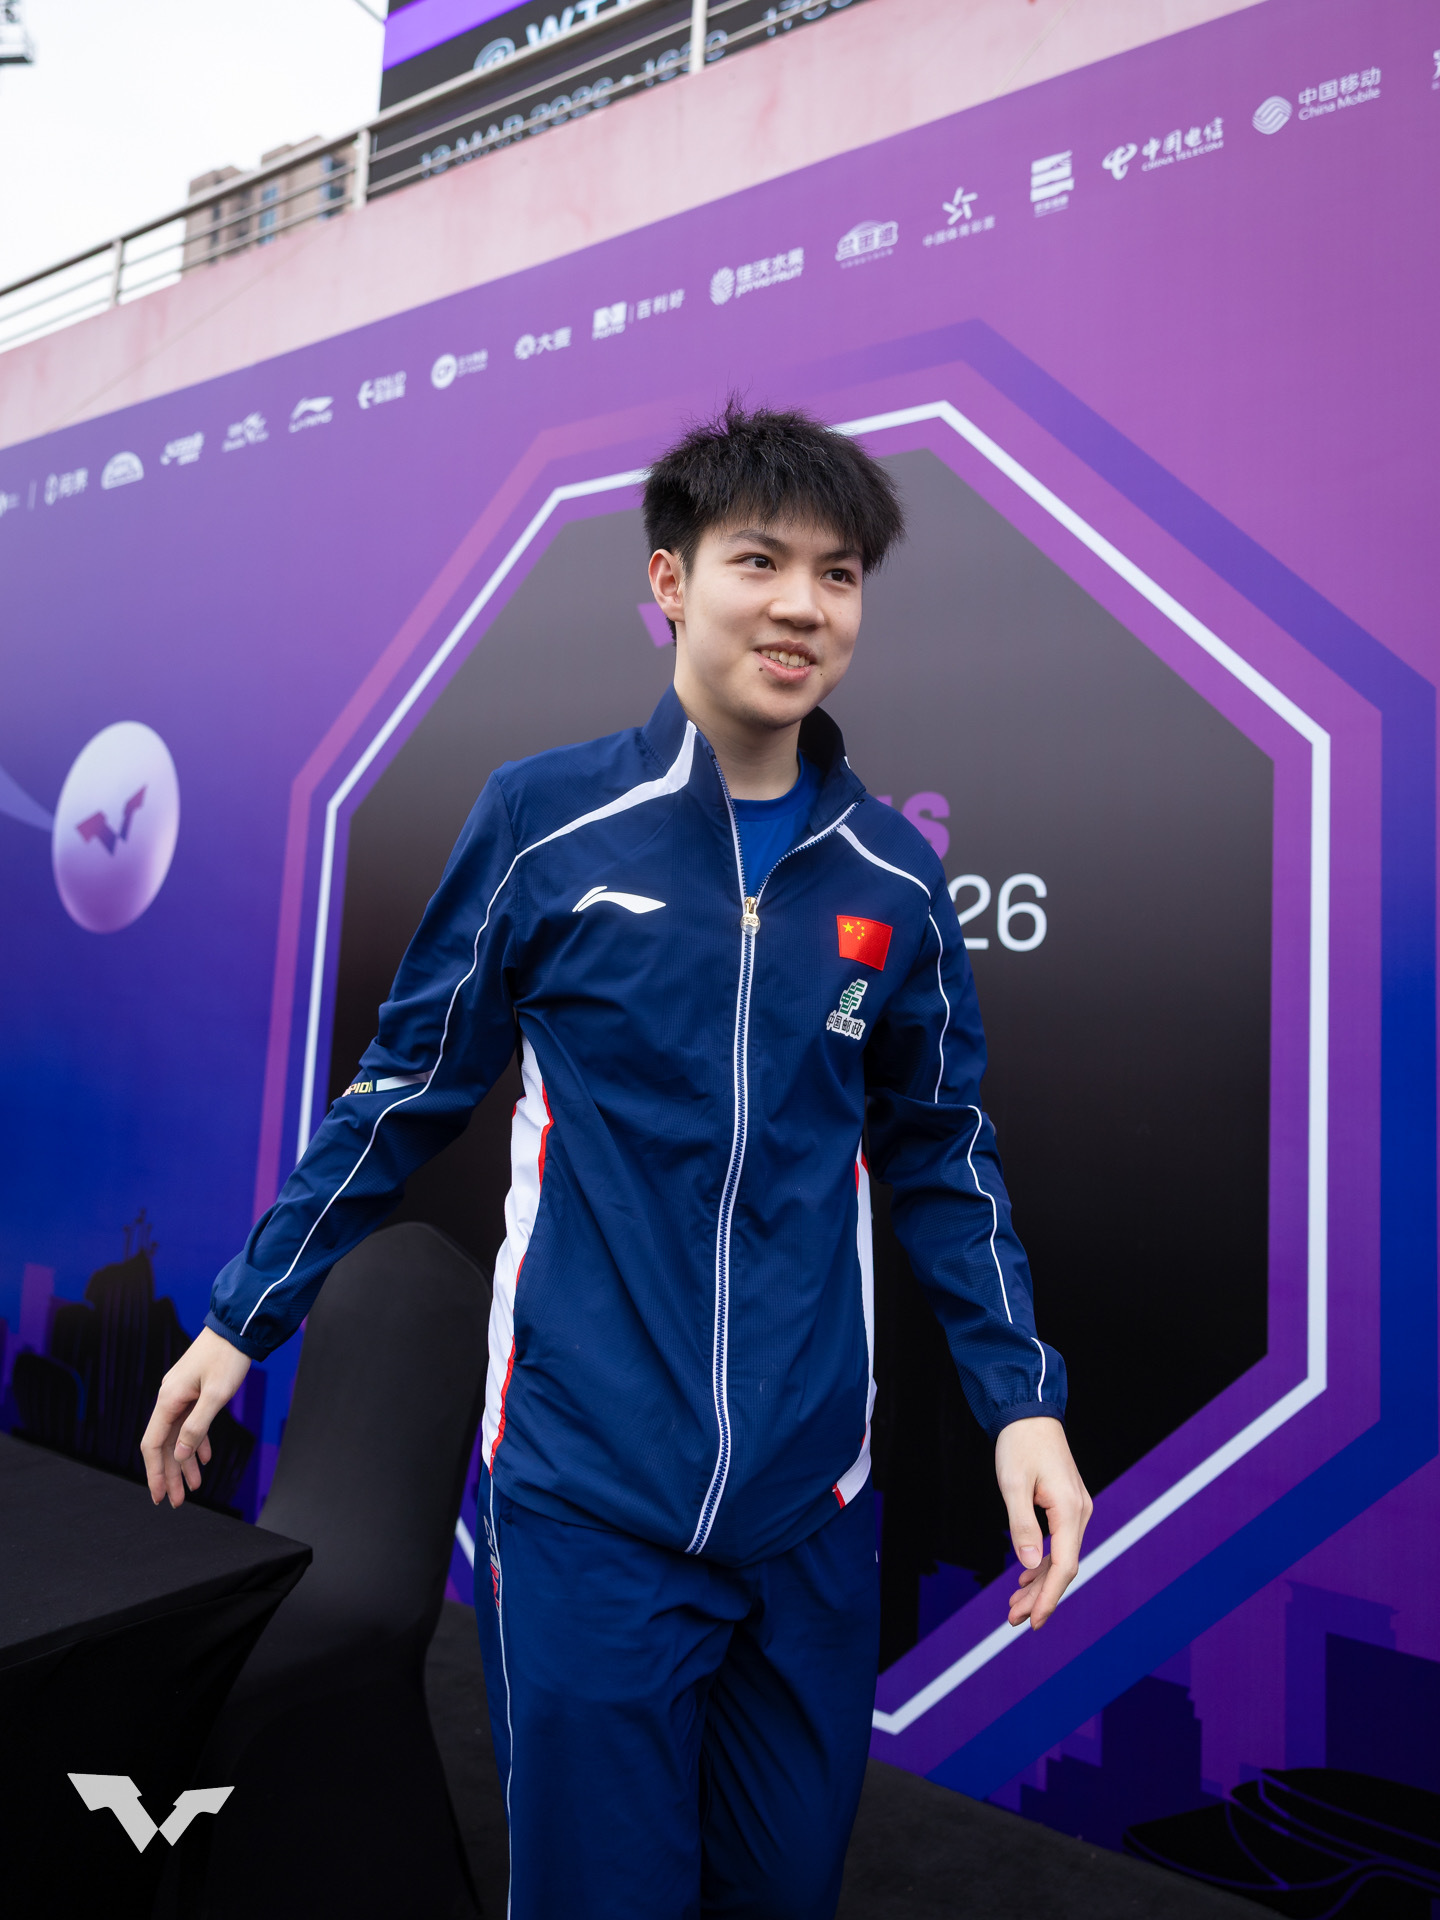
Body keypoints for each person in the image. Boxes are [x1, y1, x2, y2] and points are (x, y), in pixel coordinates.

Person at [142, 401, 1091, 1919]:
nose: (801, 607)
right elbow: (403, 1092)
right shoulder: (545, 823)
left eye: (839, 575)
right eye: (759, 561)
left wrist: (1020, 1402)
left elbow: (942, 1152)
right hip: (588, 1498)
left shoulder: (894, 876)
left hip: (810, 1511)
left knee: (779, 1897)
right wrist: (242, 1316)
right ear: (669, 580)